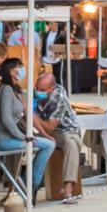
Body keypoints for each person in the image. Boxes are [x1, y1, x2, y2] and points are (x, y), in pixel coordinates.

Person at [0, 57, 55, 205]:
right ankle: (31, 184)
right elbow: (7, 119)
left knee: (47, 143)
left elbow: (28, 114)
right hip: (4, 139)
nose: (22, 69)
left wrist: (42, 134)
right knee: (48, 145)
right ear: (10, 71)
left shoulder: (14, 89)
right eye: (18, 67)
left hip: (12, 136)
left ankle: (27, 184)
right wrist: (22, 137)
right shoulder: (6, 89)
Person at [35, 72, 83, 204]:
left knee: (71, 142)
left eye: (42, 90)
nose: (38, 92)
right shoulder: (35, 94)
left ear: (52, 89)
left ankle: (68, 188)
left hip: (65, 130)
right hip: (45, 131)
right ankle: (25, 185)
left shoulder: (59, 97)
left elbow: (51, 127)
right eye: (37, 88)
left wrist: (33, 116)